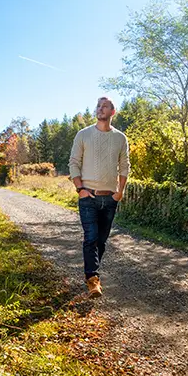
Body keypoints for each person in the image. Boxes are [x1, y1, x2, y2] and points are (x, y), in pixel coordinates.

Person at [68, 96, 130, 297]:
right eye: (98, 106)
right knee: (91, 238)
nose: (100, 109)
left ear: (113, 112)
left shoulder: (120, 138)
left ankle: (91, 273)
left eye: (105, 106)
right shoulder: (83, 135)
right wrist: (80, 189)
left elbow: (124, 166)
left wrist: (119, 192)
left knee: (101, 241)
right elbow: (74, 163)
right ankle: (93, 279)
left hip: (110, 198)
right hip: (88, 197)